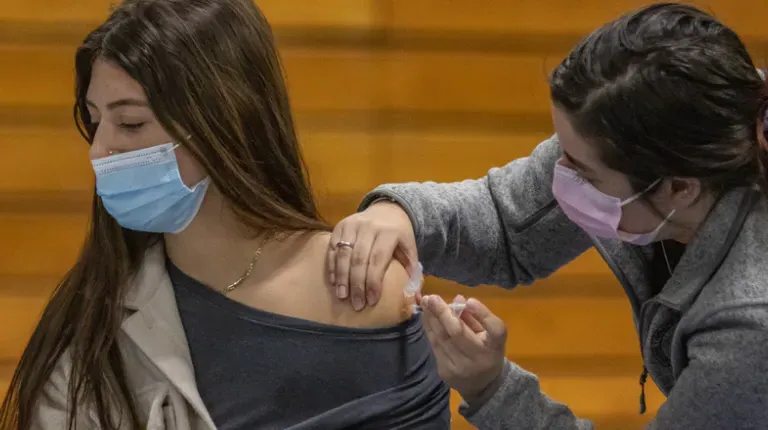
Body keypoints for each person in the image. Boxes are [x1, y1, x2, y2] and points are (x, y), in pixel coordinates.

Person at [0, 0, 452, 429]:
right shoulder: (91, 327)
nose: (101, 151)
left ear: (224, 117)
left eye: (132, 123)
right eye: (95, 122)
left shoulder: (363, 284)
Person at [327, 3, 768, 429]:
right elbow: (508, 224)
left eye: (583, 171)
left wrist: (493, 390)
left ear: (679, 188)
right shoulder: (701, 125)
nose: (560, 180)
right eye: (562, 152)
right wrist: (402, 215)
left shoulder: (750, 324)